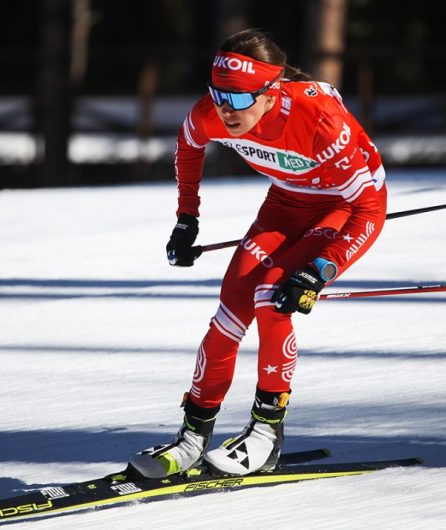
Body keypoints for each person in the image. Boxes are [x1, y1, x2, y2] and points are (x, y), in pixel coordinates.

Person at [130, 28, 387, 478]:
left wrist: (320, 271)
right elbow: (188, 146)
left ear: (271, 94)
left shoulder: (319, 119)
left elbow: (368, 208)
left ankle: (266, 435)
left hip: (343, 206)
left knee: (273, 296)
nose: (226, 109)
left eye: (241, 98)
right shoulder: (214, 111)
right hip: (286, 202)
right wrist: (186, 219)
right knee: (229, 310)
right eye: (219, 94)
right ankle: (192, 436)